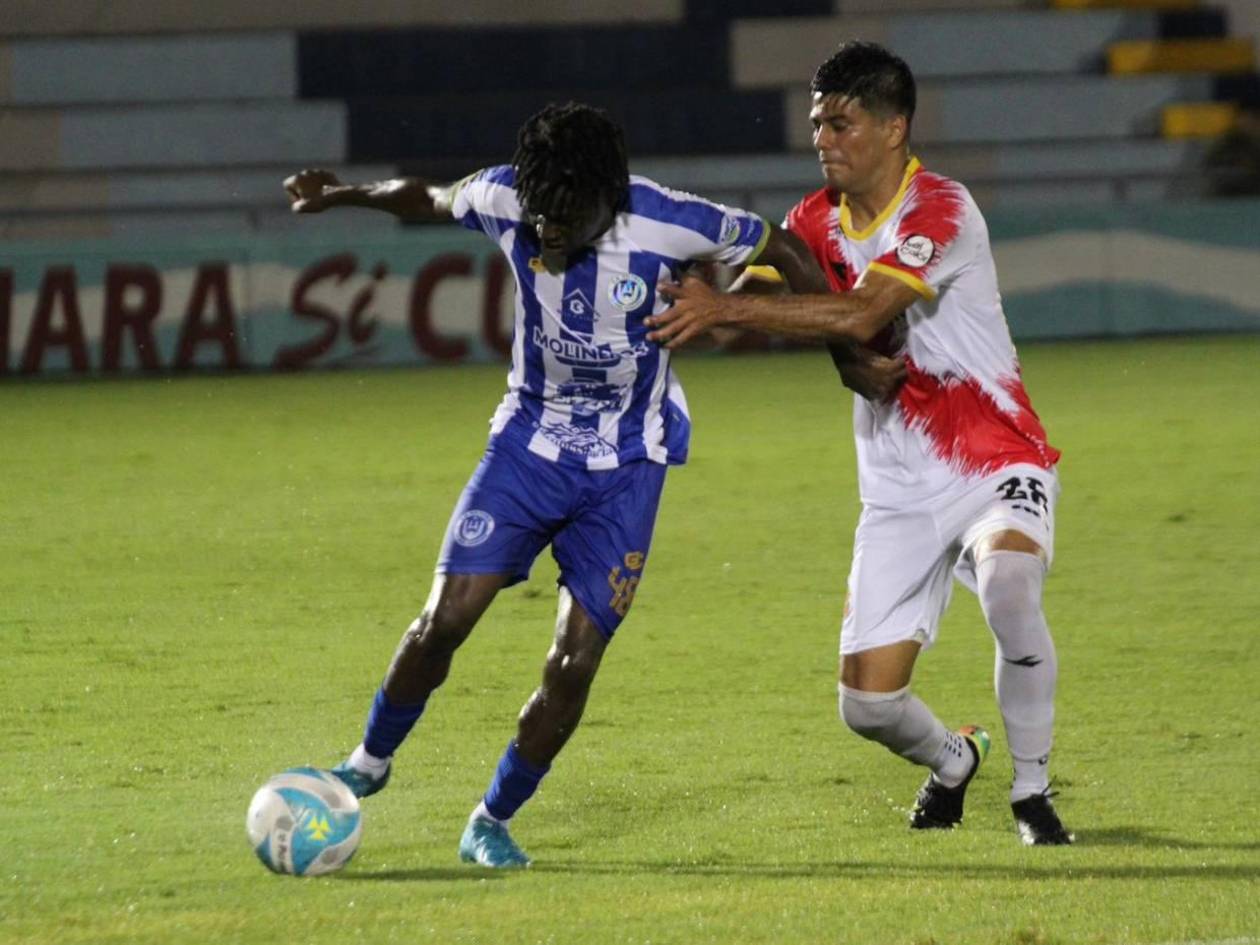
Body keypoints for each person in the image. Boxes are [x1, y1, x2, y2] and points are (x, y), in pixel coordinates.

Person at [282, 101, 842, 868]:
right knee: (444, 619)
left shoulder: (670, 221)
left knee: (573, 663)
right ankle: (367, 763)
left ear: (608, 199)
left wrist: (778, 319)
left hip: (628, 466)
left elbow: (784, 242)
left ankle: (490, 818)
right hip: (527, 447)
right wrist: (342, 194)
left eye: (565, 214)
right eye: (539, 209)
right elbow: (425, 196)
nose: (545, 227)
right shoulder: (509, 196)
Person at [646, 42, 1074, 845]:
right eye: (816, 124)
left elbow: (858, 314)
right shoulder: (813, 223)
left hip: (993, 455)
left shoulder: (940, 209)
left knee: (1012, 588)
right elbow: (747, 298)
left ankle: (1032, 793)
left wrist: (732, 312)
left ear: (893, 127)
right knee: (867, 704)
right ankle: (953, 761)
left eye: (840, 123)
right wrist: (686, 294)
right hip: (897, 485)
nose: (823, 140)